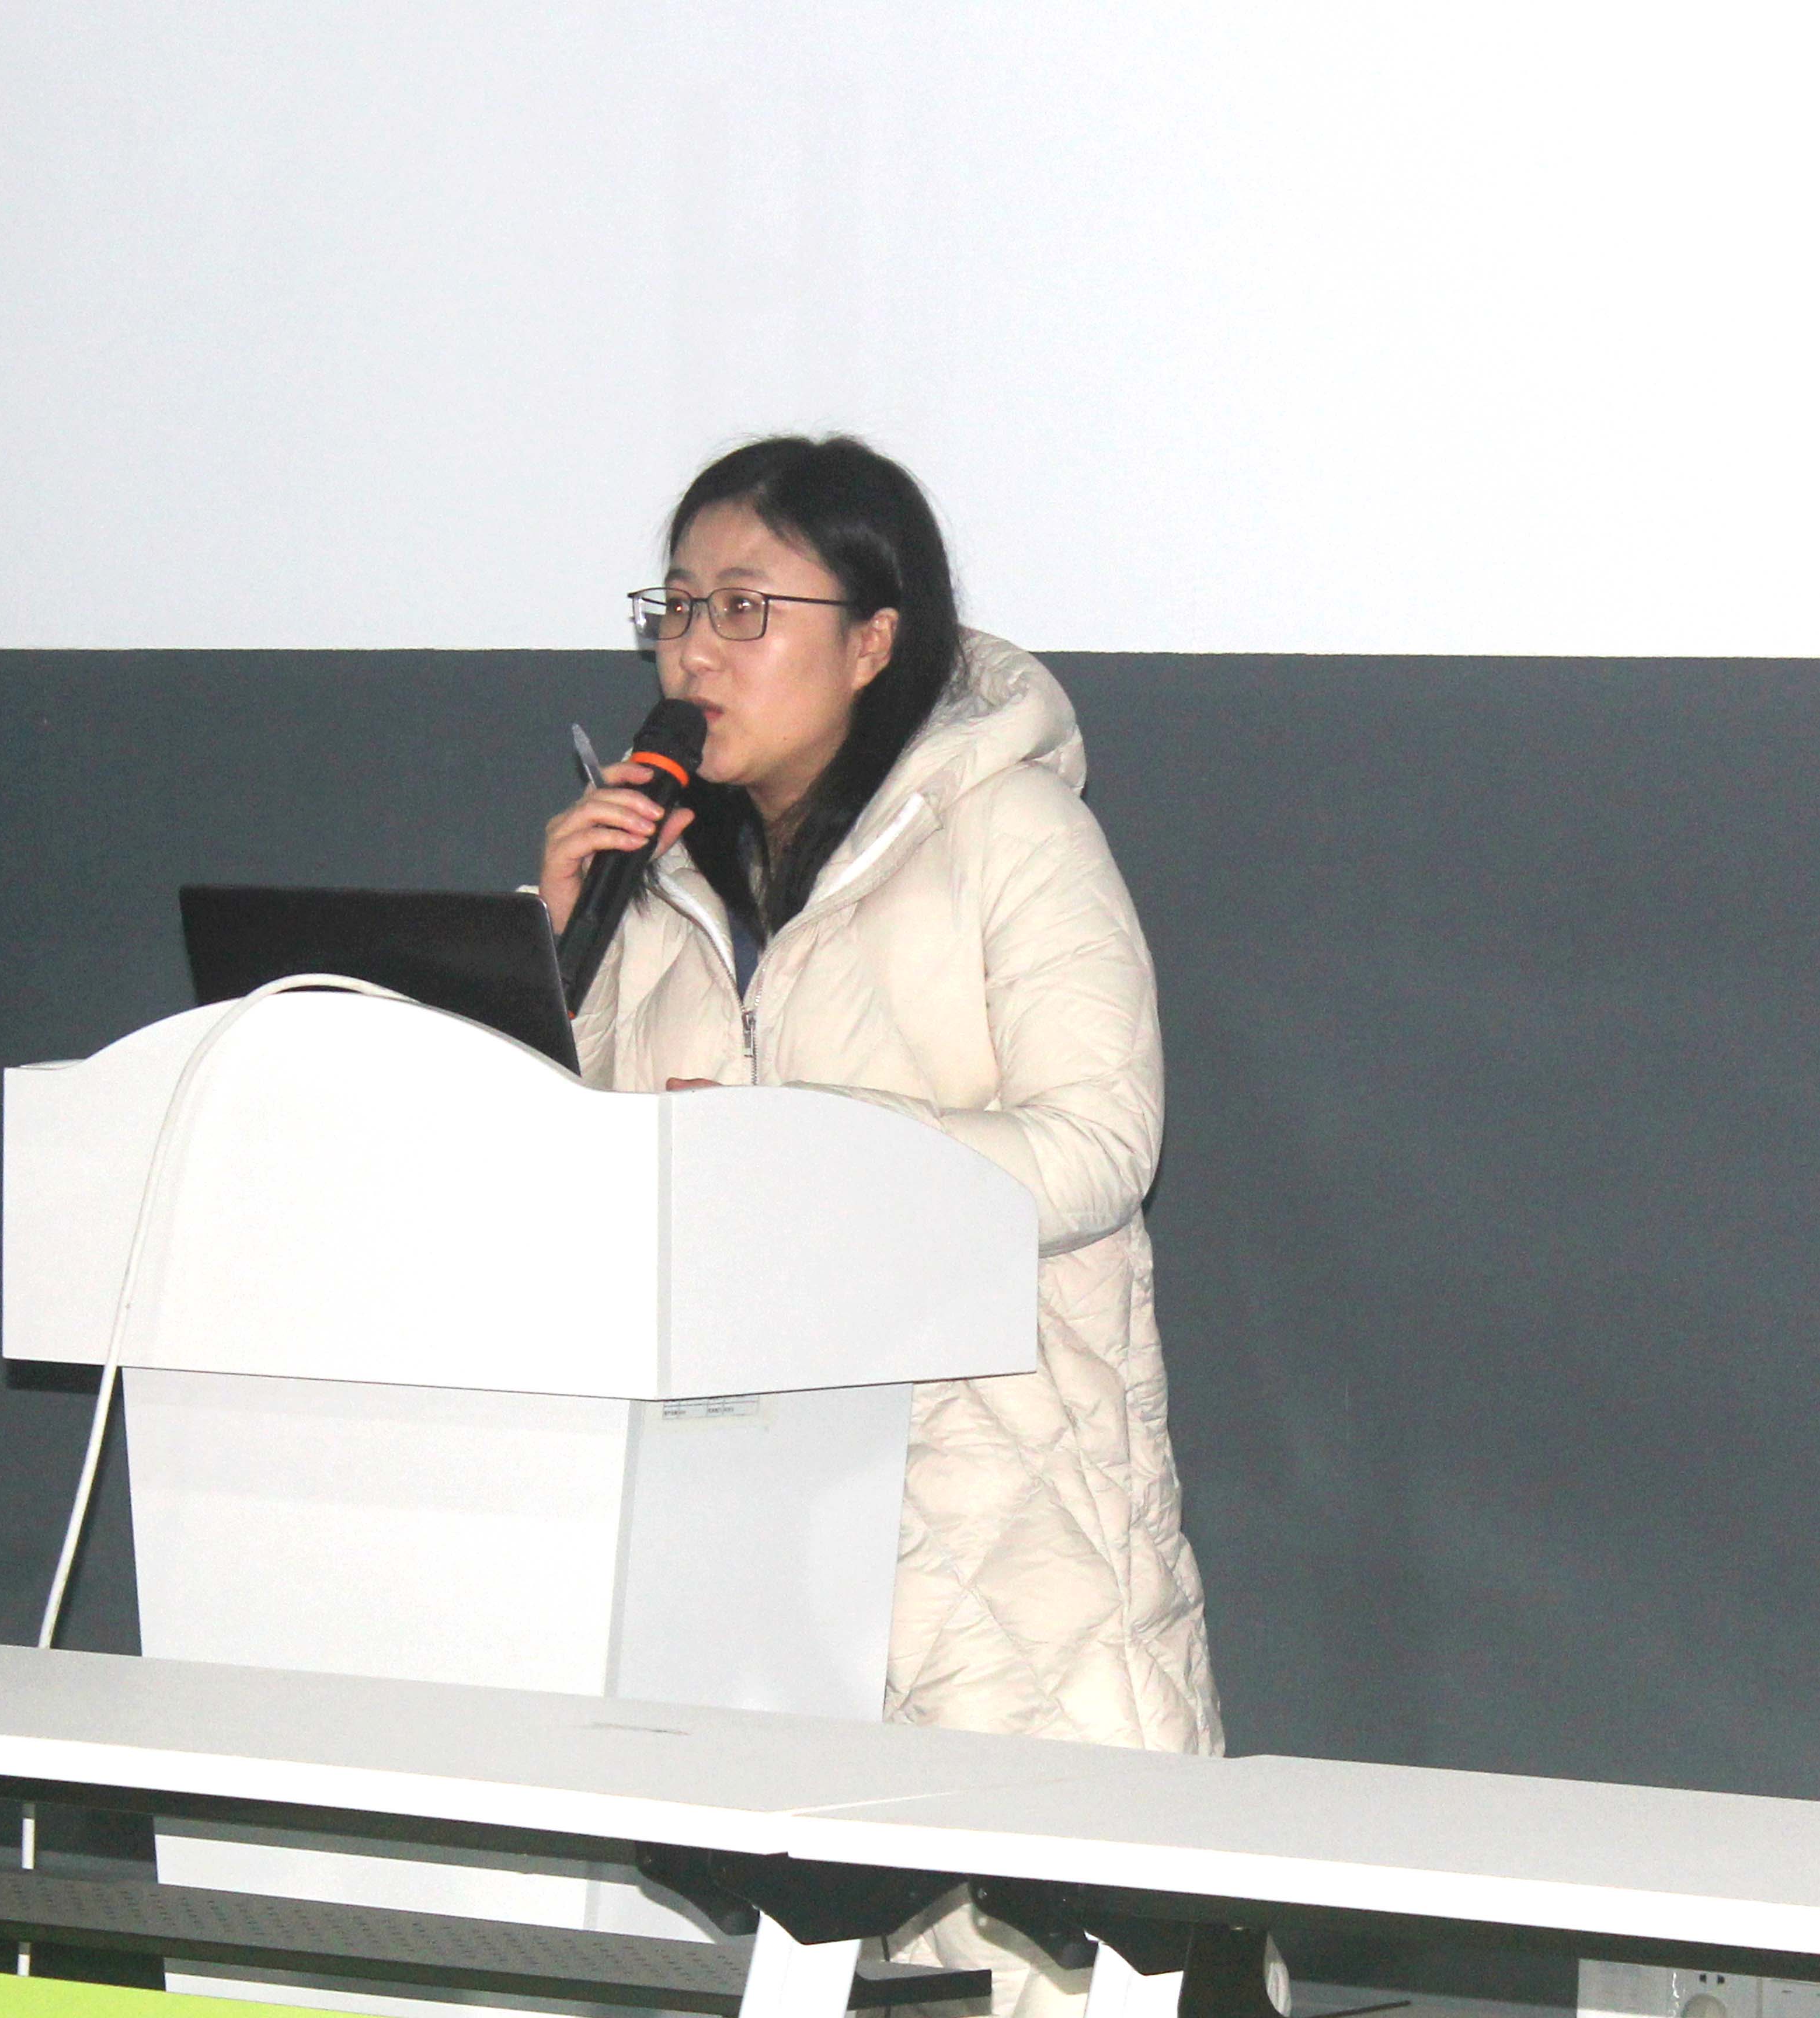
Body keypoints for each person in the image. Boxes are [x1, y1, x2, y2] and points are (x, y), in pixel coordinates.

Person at [539, 438, 1221, 1995]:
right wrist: (553, 956)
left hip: (1002, 1504)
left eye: (745, 607)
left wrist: (803, 1151)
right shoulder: (658, 882)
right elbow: (578, 1173)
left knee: (1059, 1956)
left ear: (873, 640)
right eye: (675, 608)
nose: (694, 651)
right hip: (756, 1526)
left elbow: (1102, 1146)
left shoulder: (1013, 833)